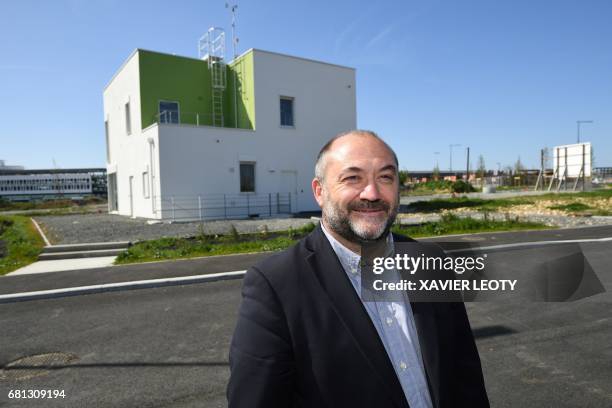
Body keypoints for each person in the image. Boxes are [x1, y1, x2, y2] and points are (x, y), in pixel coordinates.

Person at [227, 130, 489, 408]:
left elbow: (465, 377)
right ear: (319, 191)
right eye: (353, 178)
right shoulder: (276, 285)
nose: (373, 193)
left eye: (385, 177)